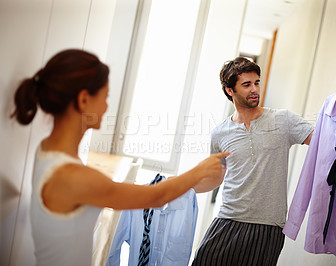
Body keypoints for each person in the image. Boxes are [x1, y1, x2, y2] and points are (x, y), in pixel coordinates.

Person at [11, 49, 230, 266]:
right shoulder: (72, 176)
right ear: (84, 100)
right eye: (105, 96)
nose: (107, 106)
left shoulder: (48, 149)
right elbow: (156, 198)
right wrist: (200, 170)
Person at [191, 57, 314, 266]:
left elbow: (325, 142)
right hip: (227, 219)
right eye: (246, 85)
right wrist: (182, 187)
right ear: (230, 90)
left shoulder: (283, 120)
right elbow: (215, 179)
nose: (254, 89)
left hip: (267, 227)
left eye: (256, 82)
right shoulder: (220, 134)